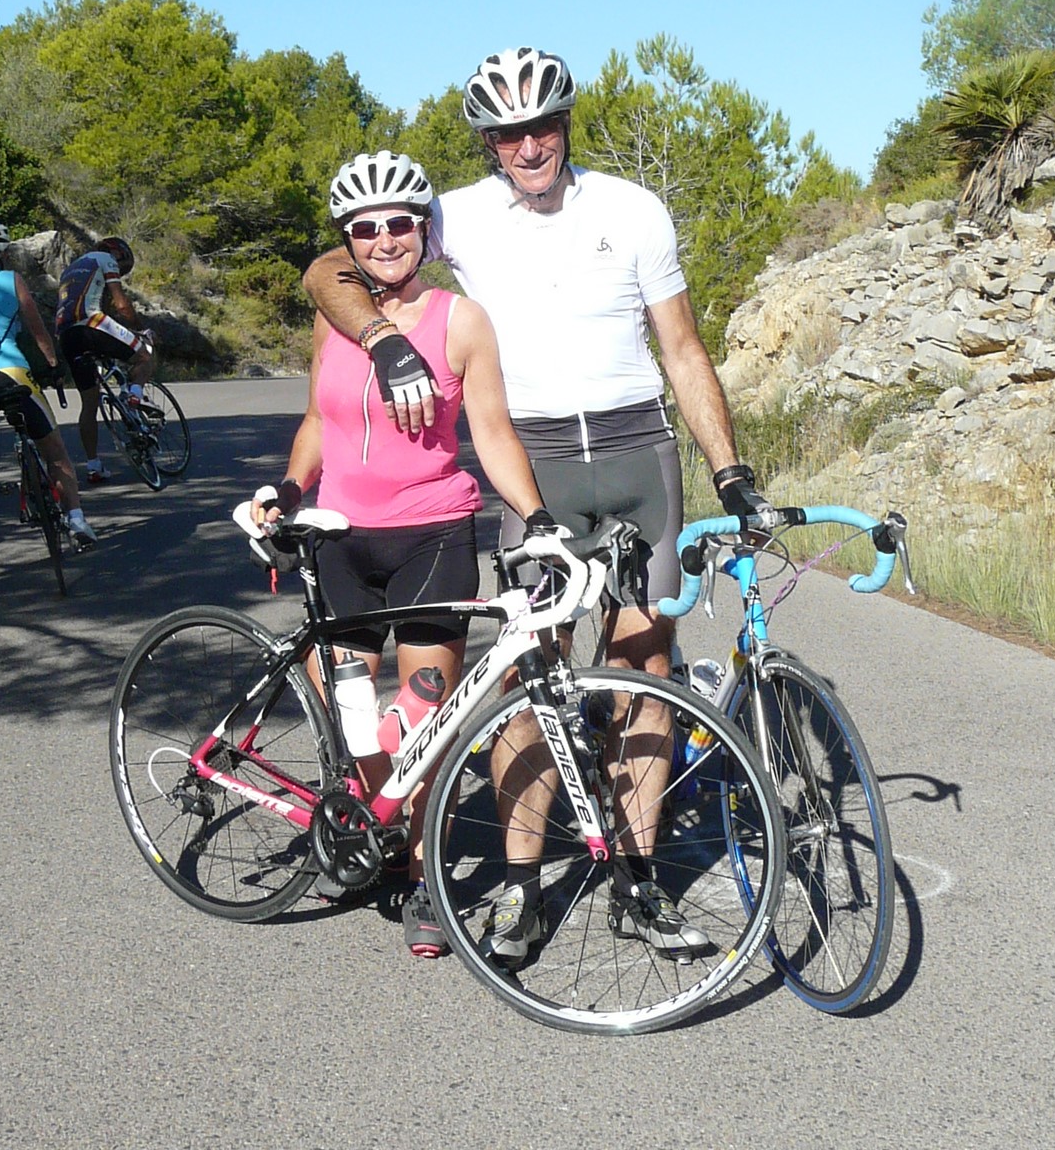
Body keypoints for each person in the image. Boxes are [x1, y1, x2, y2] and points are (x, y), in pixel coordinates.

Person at [303, 47, 771, 965]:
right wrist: (384, 342)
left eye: (543, 127)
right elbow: (332, 264)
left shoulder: (633, 209)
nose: (528, 147)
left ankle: (638, 879)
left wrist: (729, 469)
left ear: (565, 125)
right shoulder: (457, 215)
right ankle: (520, 888)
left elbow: (681, 347)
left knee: (646, 663)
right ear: (487, 142)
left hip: (636, 452)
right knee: (529, 672)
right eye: (508, 133)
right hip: (539, 459)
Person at [255, 150, 549, 959]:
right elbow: (318, 418)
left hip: (431, 536)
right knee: (351, 719)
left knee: (423, 725)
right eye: (365, 228)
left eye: (400, 223)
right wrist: (290, 487)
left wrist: (536, 517)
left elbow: (493, 432)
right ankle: (369, 832)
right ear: (347, 238)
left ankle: (425, 878)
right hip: (339, 539)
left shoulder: (460, 320)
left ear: (424, 229)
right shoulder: (337, 314)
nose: (384, 239)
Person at [0, 219, 97, 582]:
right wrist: (53, 365)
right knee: (55, 451)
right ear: (3, 252)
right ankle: (76, 519)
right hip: (11, 374)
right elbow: (38, 330)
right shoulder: (12, 279)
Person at [54, 237, 154, 485]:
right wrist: (141, 329)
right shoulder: (105, 259)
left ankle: (93, 466)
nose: (121, 270)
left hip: (66, 335)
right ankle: (135, 395)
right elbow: (121, 305)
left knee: (89, 403)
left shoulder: (69, 270)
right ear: (118, 254)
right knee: (145, 356)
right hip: (92, 322)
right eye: (123, 267)